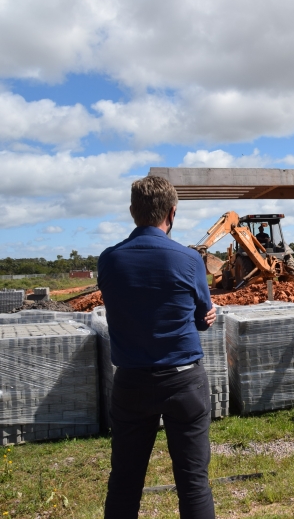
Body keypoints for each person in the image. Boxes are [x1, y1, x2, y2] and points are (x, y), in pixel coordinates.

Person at [99, 176, 217, 518]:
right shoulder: (189, 260)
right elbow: (201, 318)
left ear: (132, 211)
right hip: (184, 382)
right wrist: (202, 317)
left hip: (131, 382)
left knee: (124, 481)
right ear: (172, 213)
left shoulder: (109, 259)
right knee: (193, 483)